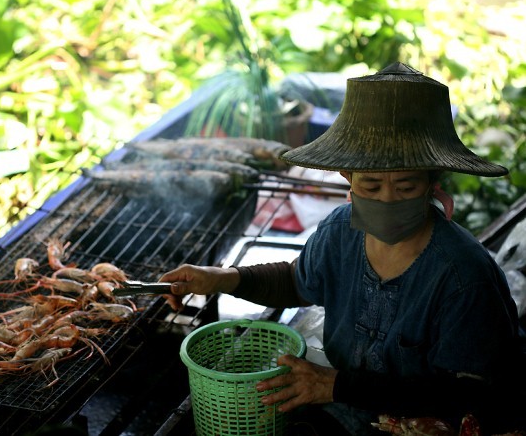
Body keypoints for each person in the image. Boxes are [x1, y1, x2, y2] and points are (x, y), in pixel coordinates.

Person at [160, 63, 524, 435]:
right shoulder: (339, 230)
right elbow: (297, 281)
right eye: (370, 186)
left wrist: (333, 385)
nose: (387, 200)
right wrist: (221, 278)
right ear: (347, 177)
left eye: (405, 187)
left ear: (434, 181)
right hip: (352, 406)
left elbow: (466, 392)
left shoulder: (463, 277)